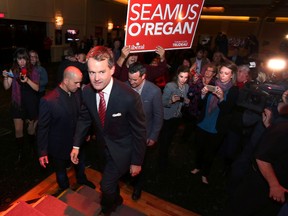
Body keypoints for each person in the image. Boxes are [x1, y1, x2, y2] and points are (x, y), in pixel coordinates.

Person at [70, 46, 147, 215]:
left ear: (112, 69)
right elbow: (84, 118)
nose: (96, 78)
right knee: (110, 182)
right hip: (102, 148)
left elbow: (140, 132)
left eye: (101, 72)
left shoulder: (129, 97)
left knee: (105, 185)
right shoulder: (87, 92)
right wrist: (76, 145)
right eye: (91, 73)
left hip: (123, 151)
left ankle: (107, 209)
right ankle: (117, 199)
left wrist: (137, 161)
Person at [223, 97, 288, 216]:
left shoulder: (281, 126)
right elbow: (262, 158)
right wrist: (274, 184)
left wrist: (269, 126)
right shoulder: (283, 127)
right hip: (261, 183)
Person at [37, 66, 95, 193]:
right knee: (61, 172)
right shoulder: (48, 101)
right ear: (66, 81)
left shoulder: (77, 93)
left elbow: (83, 116)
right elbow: (42, 128)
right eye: (76, 82)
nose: (79, 86)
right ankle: (64, 189)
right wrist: (42, 151)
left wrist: (87, 132)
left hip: (78, 143)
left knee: (81, 165)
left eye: (80, 82)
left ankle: (81, 179)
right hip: (59, 145)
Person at [191, 61, 238, 184]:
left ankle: (205, 173)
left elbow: (228, 110)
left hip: (217, 127)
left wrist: (222, 98)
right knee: (199, 147)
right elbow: (201, 105)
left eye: (226, 73)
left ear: (232, 75)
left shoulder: (234, 90)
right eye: (221, 72)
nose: (223, 75)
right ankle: (197, 166)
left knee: (210, 152)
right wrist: (202, 95)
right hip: (203, 122)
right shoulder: (212, 84)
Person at [127, 62, 163, 200]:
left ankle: (138, 187)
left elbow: (158, 116)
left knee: (140, 162)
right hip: (126, 133)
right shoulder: (125, 85)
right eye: (130, 79)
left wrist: (153, 136)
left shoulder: (154, 91)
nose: (131, 82)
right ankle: (128, 179)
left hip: (144, 135)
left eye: (134, 80)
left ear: (143, 76)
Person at [2, 47, 39, 163]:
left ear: (27, 59)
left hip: (30, 103)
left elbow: (37, 88)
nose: (22, 61)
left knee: (31, 129)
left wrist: (27, 80)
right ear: (16, 60)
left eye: (24, 59)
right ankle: (20, 152)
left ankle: (32, 148)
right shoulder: (13, 71)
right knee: (18, 129)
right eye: (19, 59)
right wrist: (6, 77)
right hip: (17, 103)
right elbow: (6, 87)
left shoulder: (33, 70)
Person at [158, 65, 190, 171]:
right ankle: (161, 162)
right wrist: (171, 101)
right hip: (167, 118)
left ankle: (164, 157)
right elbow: (162, 102)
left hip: (177, 117)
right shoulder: (170, 86)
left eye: (186, 77)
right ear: (177, 75)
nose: (183, 80)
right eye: (181, 77)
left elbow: (184, 103)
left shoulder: (186, 87)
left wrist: (186, 102)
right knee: (164, 140)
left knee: (170, 139)